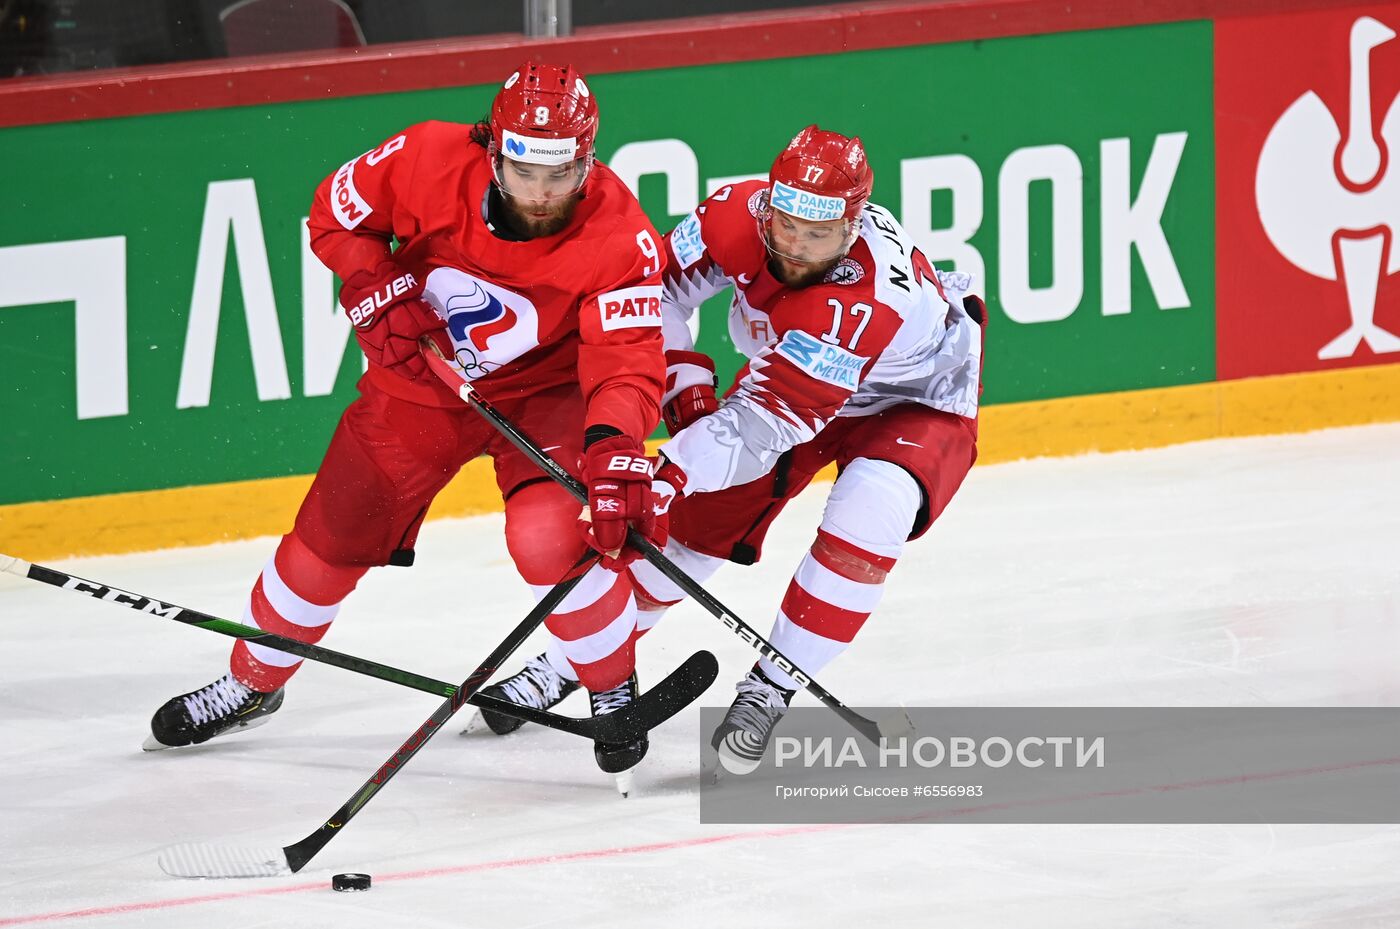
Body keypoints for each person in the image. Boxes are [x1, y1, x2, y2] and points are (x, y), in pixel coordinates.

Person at [145, 62, 668, 777]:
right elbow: (333, 212)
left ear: (588, 158)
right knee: (329, 535)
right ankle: (250, 681)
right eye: (523, 170)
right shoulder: (424, 156)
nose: (542, 194)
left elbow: (625, 361)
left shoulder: (621, 235)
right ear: (493, 150)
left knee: (552, 537)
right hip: (421, 382)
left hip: (548, 394)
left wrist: (613, 448)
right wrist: (371, 278)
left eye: (562, 173)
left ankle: (610, 686)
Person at [487, 125, 983, 770]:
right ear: (767, 203)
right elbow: (652, 292)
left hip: (915, 395)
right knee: (691, 530)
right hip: (792, 376)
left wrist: (669, 472)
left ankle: (773, 685)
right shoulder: (732, 213)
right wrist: (683, 376)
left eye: (819, 234)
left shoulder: (861, 301)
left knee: (869, 517)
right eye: (785, 224)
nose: (795, 246)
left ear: (854, 225)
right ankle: (572, 662)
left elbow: (765, 424)